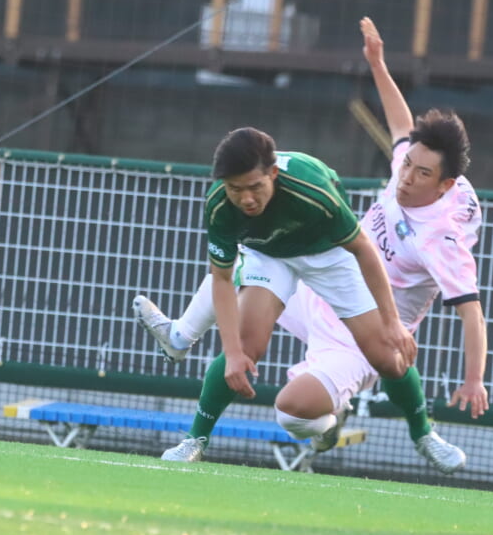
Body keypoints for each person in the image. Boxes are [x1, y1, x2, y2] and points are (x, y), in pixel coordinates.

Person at [139, 16, 489, 472]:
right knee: (243, 340)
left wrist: (463, 372)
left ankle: (420, 433)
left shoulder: (433, 234)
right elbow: (402, 128)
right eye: (407, 165)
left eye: (421, 173)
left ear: (444, 185)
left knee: (349, 381)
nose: (406, 176)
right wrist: (378, 64)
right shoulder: (224, 203)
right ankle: (193, 431)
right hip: (287, 267)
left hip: (338, 273)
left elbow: (376, 258)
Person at [153, 124, 418, 464]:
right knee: (245, 347)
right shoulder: (219, 205)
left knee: (385, 357)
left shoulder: (312, 190)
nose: (246, 199)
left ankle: (423, 432)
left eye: (255, 187)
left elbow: (363, 249)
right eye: (235, 189)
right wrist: (232, 354)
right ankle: (195, 440)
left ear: (273, 174)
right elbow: (221, 279)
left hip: (326, 253)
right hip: (269, 255)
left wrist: (393, 321)